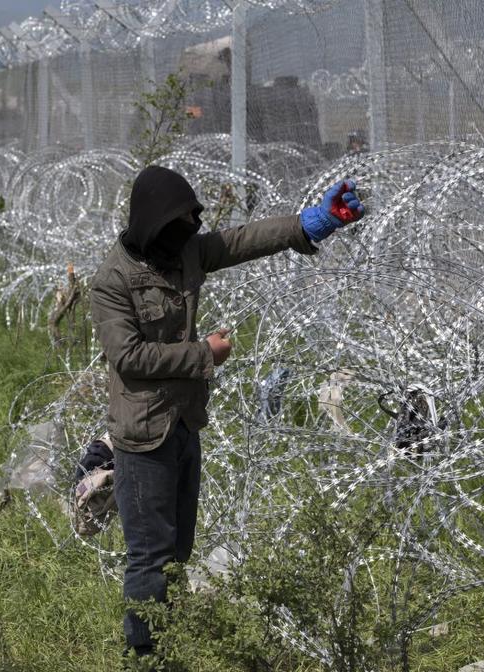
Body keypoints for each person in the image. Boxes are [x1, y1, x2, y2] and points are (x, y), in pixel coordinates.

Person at [90, 166, 365, 658]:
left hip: (183, 423)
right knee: (150, 556)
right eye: (174, 228)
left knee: (178, 552)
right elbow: (128, 357)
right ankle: (144, 655)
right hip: (143, 435)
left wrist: (308, 224)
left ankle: (169, 641)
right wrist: (204, 354)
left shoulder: (184, 250)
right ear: (151, 224)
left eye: (188, 227)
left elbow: (239, 242)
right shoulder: (113, 281)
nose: (184, 238)